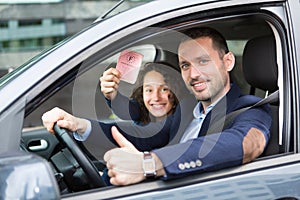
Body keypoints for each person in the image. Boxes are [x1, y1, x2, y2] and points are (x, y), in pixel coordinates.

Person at [42, 27, 272, 186]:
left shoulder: (250, 109)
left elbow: (246, 143)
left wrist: (147, 164)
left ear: (228, 61)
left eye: (203, 61)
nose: (193, 74)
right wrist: (79, 124)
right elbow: (143, 136)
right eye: (185, 65)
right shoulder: (186, 110)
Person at [100, 62, 187, 124]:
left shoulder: (185, 115)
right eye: (149, 90)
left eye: (164, 89)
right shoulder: (141, 112)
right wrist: (113, 96)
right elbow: (126, 109)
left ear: (176, 91)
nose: (156, 98)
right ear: (142, 94)